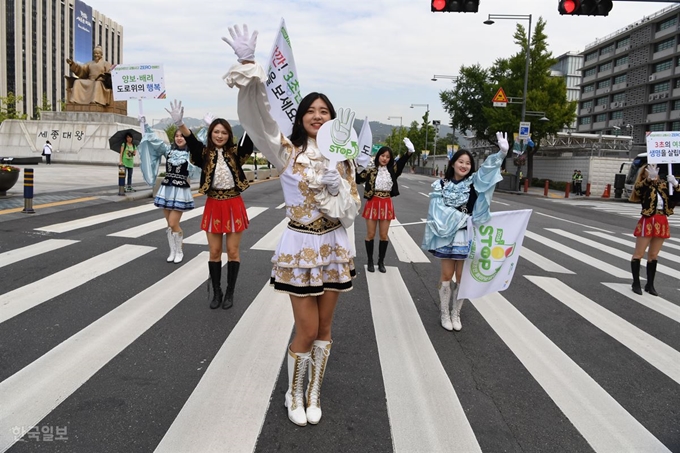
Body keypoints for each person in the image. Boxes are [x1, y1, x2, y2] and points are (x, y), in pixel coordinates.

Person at [223, 24, 361, 427]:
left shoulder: (344, 159)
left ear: (333, 119)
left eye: (325, 112)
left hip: (334, 247)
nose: (318, 116)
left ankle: (314, 391)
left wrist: (340, 189)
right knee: (306, 327)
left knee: (326, 328)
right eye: (311, 111)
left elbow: (351, 211)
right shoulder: (287, 152)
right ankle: (293, 392)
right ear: (301, 117)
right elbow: (259, 119)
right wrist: (249, 68)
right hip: (299, 249)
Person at [166, 100, 254, 310]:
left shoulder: (235, 153)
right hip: (214, 204)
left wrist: (252, 117)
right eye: (216, 131)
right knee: (214, 252)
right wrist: (180, 123)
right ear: (211, 133)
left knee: (233, 251)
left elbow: (248, 141)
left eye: (224, 132)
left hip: (234, 203)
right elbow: (192, 141)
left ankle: (230, 292)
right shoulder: (204, 154)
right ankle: (217, 291)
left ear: (229, 134)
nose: (220, 135)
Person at [422, 133, 509, 331]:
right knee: (446, 275)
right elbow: (436, 211)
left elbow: (487, 171)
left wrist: (501, 154)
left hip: (466, 236)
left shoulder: (473, 184)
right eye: (460, 161)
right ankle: (444, 312)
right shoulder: (441, 185)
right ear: (452, 163)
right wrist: (459, 218)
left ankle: (456, 313)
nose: (464, 165)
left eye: (468, 163)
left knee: (462, 277)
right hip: (447, 235)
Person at [138, 117, 201, 264]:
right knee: (168, 223)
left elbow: (200, 151)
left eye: (182, 136)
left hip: (180, 191)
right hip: (166, 189)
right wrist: (145, 125)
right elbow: (155, 141)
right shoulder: (169, 151)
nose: (179, 138)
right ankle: (172, 250)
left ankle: (179, 250)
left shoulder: (190, 154)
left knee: (173, 223)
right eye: (177, 136)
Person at [356, 141, 414, 272]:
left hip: (386, 203)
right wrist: (353, 165)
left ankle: (380, 262)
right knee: (370, 234)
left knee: (383, 235)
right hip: (373, 203)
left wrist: (409, 152)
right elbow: (357, 179)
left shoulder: (392, 170)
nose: (385, 159)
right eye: (382, 155)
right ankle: (370, 261)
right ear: (378, 156)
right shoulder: (370, 170)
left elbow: (401, 163)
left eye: (388, 157)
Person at [629, 164, 679, 296]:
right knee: (639, 254)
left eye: (655, 171)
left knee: (653, 255)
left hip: (661, 219)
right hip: (648, 220)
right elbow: (639, 191)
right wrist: (648, 180)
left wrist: (674, 184)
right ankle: (636, 282)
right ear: (644, 174)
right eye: (648, 171)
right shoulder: (643, 186)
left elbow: (675, 198)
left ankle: (650, 284)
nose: (653, 173)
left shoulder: (663, 186)